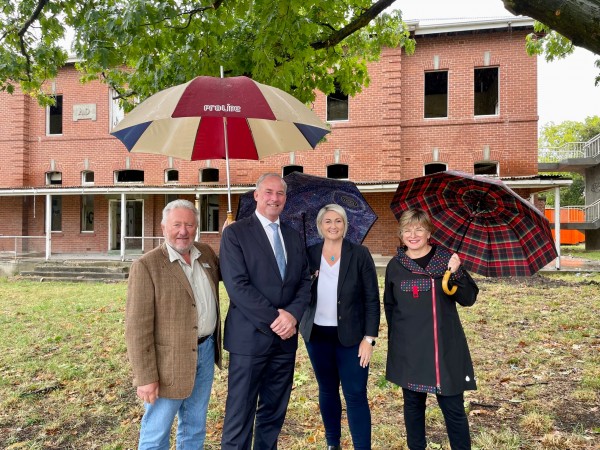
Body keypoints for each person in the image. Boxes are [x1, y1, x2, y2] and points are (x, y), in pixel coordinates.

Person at [219, 173, 312, 450]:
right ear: (256, 195)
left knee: (273, 413)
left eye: (280, 193)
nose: (274, 198)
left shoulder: (294, 236)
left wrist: (293, 315)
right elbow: (237, 286)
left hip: (284, 343)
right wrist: (277, 319)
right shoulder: (235, 233)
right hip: (249, 339)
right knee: (240, 413)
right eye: (268, 192)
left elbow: (305, 281)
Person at [125, 199, 221, 449]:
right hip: (168, 362)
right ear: (163, 227)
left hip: (206, 351)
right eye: (177, 224)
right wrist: (145, 376)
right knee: (157, 432)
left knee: (195, 426)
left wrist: (233, 235)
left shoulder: (206, 254)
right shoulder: (147, 265)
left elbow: (235, 273)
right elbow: (137, 327)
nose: (183, 231)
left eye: (189, 225)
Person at [384, 208, 479, 450]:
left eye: (419, 229)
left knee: (454, 410)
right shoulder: (395, 266)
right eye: (407, 230)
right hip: (411, 351)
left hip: (444, 351)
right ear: (400, 234)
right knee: (413, 409)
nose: (412, 235)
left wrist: (457, 274)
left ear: (429, 233)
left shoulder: (447, 260)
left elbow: (468, 299)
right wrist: (398, 347)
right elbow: (390, 309)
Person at [299, 204, 380, 450]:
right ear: (320, 226)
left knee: (355, 394)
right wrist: (308, 281)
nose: (333, 226)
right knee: (327, 390)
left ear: (345, 225)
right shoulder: (309, 254)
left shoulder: (359, 254)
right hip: (317, 336)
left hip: (352, 337)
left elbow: (372, 299)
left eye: (338, 221)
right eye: (328, 221)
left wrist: (369, 338)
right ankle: (333, 443)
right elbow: (297, 290)